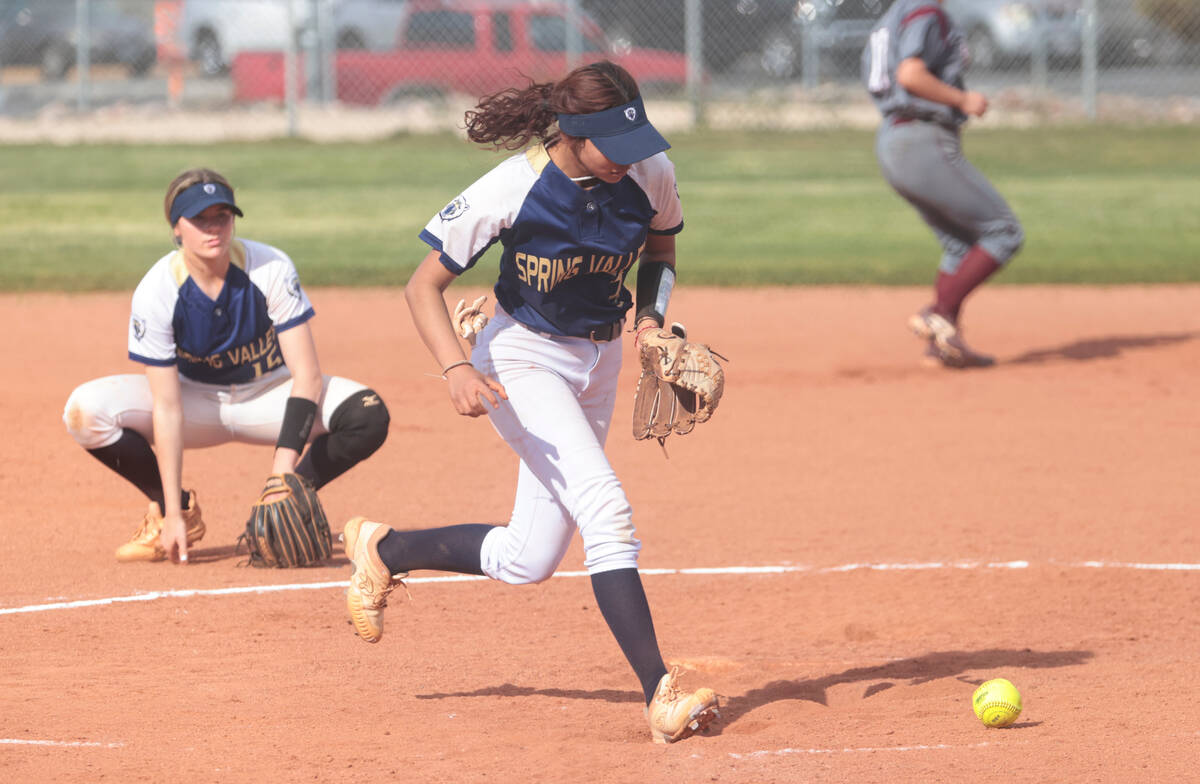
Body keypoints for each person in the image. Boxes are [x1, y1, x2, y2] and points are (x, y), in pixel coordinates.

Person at [342, 60, 720, 744]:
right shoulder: (514, 186)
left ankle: (383, 550)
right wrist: (456, 366)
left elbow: (660, 249)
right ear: (572, 134)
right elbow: (420, 285)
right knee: (606, 507)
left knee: (528, 559)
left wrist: (652, 320)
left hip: (599, 360)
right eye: (614, 146)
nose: (630, 160)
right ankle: (659, 694)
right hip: (520, 358)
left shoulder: (648, 171)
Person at [64, 168, 390, 564]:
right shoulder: (158, 290)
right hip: (194, 402)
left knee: (367, 414)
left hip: (272, 393)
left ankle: (287, 501)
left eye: (222, 216)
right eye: (199, 219)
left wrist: (282, 477)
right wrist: (171, 511)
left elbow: (307, 377)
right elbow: (166, 406)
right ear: (176, 229)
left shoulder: (269, 267)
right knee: (85, 411)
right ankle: (175, 510)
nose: (213, 227)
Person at [861, 0, 1024, 368]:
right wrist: (963, 98)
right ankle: (938, 312)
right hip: (921, 137)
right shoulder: (925, 11)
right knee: (1003, 231)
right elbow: (910, 74)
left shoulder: (892, 16)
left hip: (894, 137)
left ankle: (942, 344)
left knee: (959, 245)